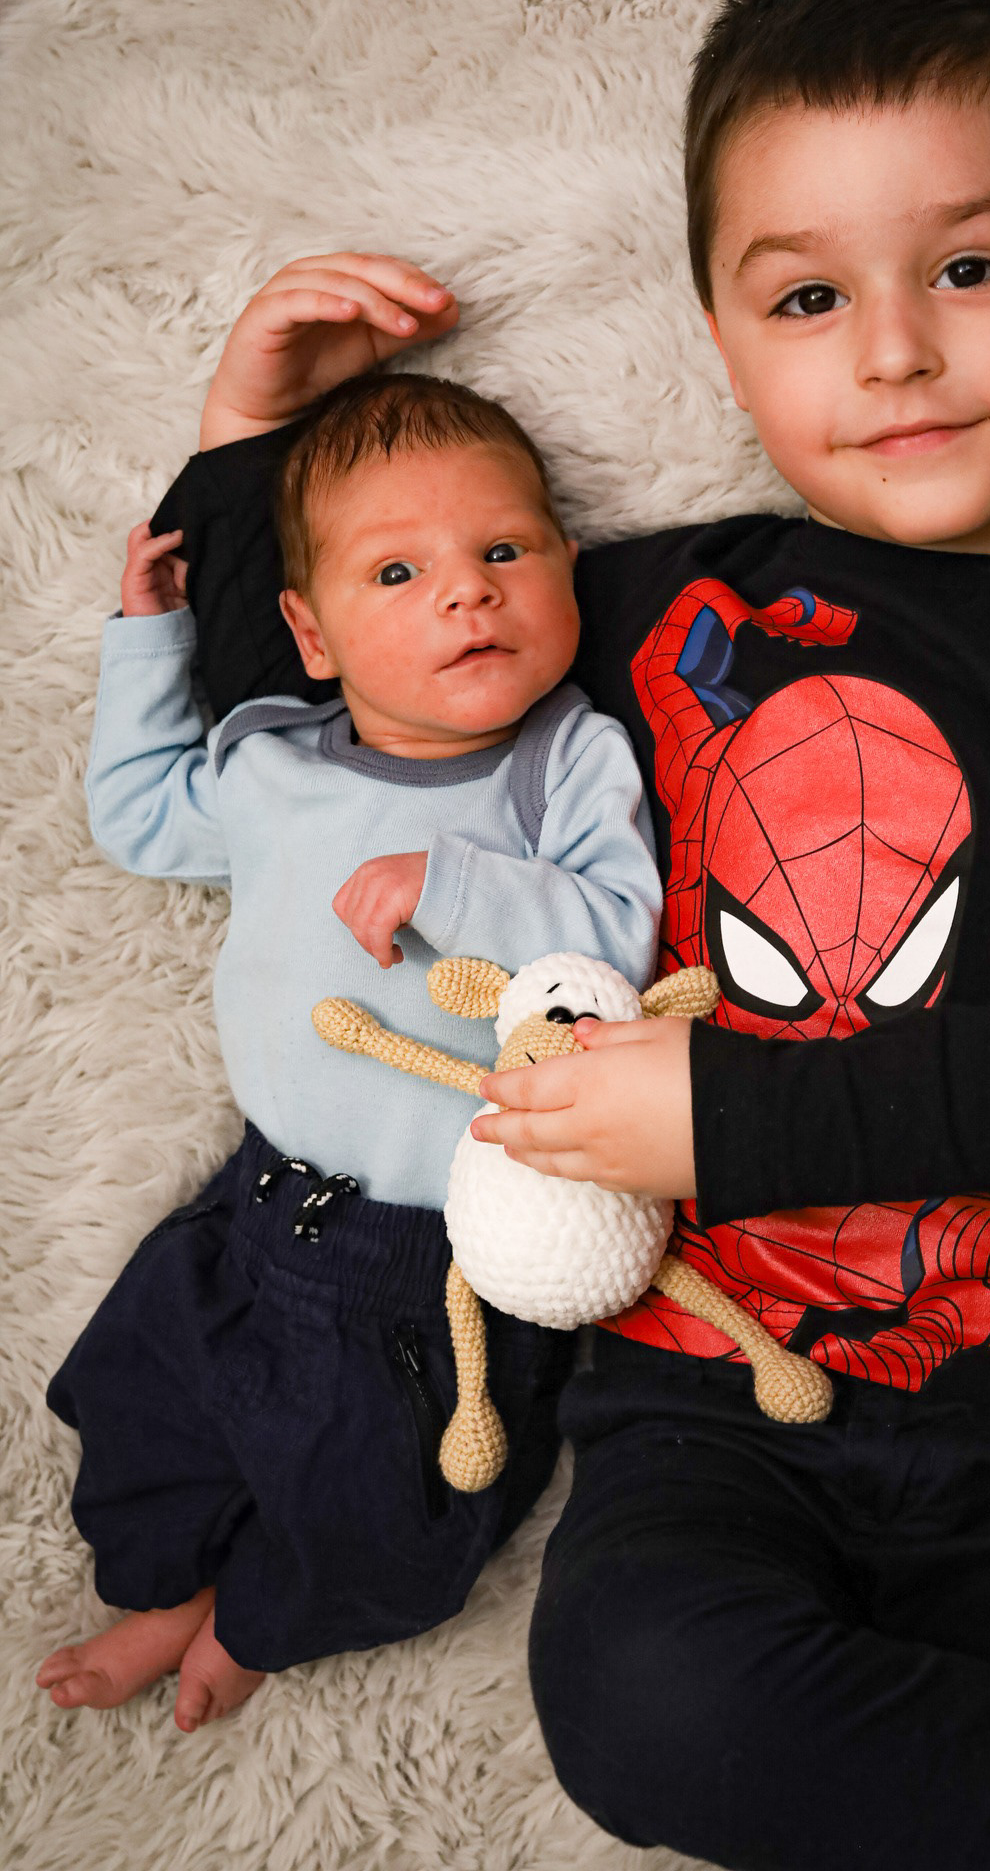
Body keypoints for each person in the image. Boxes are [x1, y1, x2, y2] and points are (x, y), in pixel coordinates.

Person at [121, 0, 990, 1871]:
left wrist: (710, 1114)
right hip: (705, 1411)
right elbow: (328, 695)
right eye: (804, 296)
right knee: (642, 1705)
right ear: (720, 335)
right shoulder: (652, 604)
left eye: (969, 268)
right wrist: (245, 444)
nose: (893, 349)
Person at [36, 370, 661, 1732]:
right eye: (398, 571)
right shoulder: (276, 763)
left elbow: (620, 934)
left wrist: (459, 884)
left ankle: (261, 1616)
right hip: (251, 1206)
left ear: (567, 568)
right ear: (312, 637)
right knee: (139, 1399)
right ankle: (163, 1585)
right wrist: (147, 642)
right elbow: (140, 819)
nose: (467, 592)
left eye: (506, 551)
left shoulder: (564, 761)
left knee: (392, 1505)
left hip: (431, 1263)